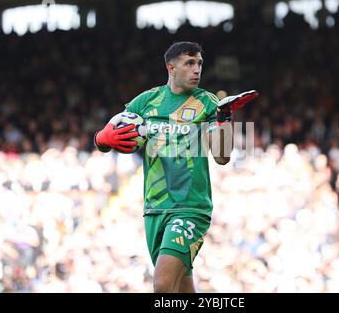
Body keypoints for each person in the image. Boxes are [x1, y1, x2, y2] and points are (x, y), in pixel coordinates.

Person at [94, 41, 258, 293]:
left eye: (199, 63)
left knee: (162, 285)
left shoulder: (207, 102)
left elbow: (222, 157)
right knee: (182, 287)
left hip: (191, 208)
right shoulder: (147, 101)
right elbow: (110, 133)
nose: (197, 70)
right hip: (154, 208)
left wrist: (224, 118)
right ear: (171, 68)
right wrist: (102, 139)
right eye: (189, 63)